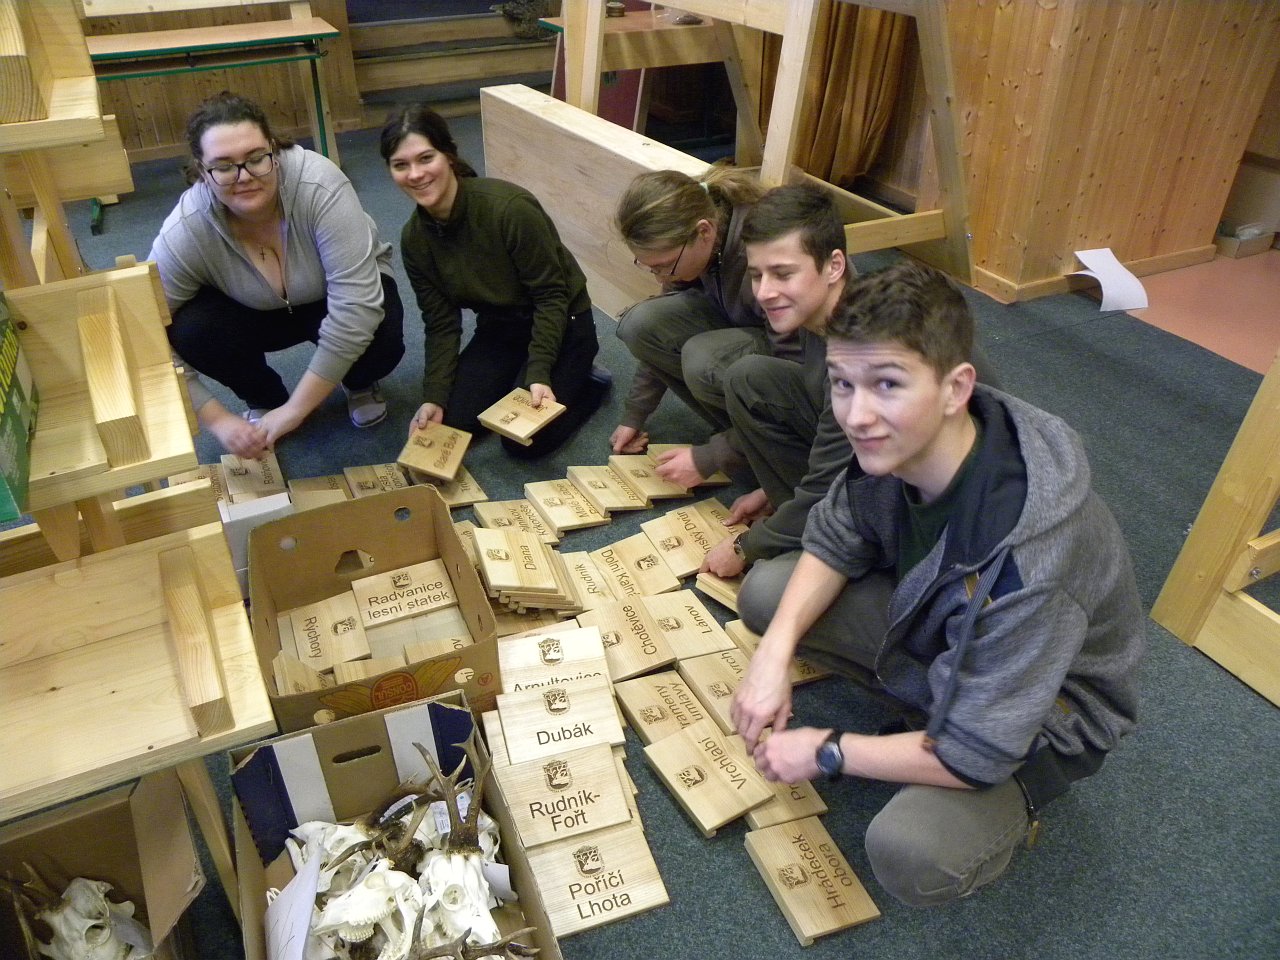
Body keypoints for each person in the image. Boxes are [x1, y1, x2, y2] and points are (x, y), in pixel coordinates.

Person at [730, 261, 1144, 906]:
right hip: (954, 630)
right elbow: (835, 534)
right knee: (768, 596)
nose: (857, 415)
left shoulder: (1029, 561)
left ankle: (1019, 800)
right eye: (842, 383)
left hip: (1049, 716)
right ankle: (927, 705)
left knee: (914, 852)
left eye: (888, 384)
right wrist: (772, 657)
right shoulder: (895, 445)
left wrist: (829, 749)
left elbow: (975, 752)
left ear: (956, 389)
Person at [700, 184, 1001, 579]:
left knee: (764, 591)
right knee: (750, 378)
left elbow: (837, 477)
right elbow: (834, 443)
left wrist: (748, 546)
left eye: (783, 274)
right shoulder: (822, 312)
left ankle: (854, 557)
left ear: (834, 266)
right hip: (885, 469)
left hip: (945, 514)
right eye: (757, 275)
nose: (765, 293)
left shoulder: (862, 348)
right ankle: (805, 526)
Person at [151, 91, 404, 458]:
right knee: (191, 329)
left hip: (331, 298)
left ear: (273, 149)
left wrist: (297, 411)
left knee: (380, 335)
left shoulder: (319, 184)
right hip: (252, 312)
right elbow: (144, 332)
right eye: (223, 167)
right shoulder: (187, 228)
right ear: (202, 172)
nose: (244, 177)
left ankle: (358, 382)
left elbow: (357, 308)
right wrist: (216, 418)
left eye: (256, 158)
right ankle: (265, 399)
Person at [382, 105, 608, 459]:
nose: (415, 174)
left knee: (523, 441)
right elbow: (441, 323)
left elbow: (551, 296)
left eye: (426, 158)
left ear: (449, 155)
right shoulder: (414, 240)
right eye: (401, 165)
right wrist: (433, 396)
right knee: (452, 423)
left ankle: (589, 382)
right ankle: (521, 376)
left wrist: (539, 372)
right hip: (501, 329)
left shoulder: (509, 208)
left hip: (564, 321)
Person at [611, 167, 773, 477]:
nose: (661, 278)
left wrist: (712, 457)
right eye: (650, 268)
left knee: (703, 360)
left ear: (704, 231)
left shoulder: (767, 259)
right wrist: (635, 414)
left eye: (664, 266)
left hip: (811, 368)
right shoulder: (700, 236)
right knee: (640, 324)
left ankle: (766, 447)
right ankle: (744, 437)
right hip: (750, 325)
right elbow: (658, 331)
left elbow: (809, 373)